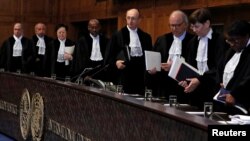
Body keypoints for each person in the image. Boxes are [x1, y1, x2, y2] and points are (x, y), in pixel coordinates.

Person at [178, 8, 228, 109]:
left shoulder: (220, 40)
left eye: (197, 26)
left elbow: (219, 68)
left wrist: (200, 79)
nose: (194, 30)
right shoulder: (192, 42)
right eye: (192, 27)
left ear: (207, 23)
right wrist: (186, 79)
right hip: (195, 90)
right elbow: (190, 64)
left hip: (212, 89)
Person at [146, 10, 194, 102]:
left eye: (177, 25)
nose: (174, 28)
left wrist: (174, 67)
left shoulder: (192, 41)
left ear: (185, 24)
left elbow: (193, 66)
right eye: (171, 25)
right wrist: (152, 69)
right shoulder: (162, 39)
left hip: (183, 87)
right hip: (163, 86)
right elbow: (153, 59)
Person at [104, 8, 152, 95]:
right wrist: (116, 63)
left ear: (139, 20)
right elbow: (109, 57)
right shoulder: (117, 36)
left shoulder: (146, 37)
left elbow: (149, 57)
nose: (130, 21)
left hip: (139, 77)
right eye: (128, 18)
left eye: (133, 18)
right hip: (124, 75)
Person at [214, 20, 250, 115]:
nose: (232, 44)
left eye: (236, 40)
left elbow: (248, 79)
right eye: (229, 40)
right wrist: (220, 82)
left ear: (246, 36)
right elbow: (220, 67)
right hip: (227, 101)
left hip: (243, 103)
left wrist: (235, 94)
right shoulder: (230, 50)